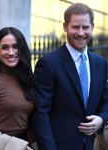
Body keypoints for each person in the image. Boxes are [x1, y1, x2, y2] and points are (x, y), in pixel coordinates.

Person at [33, 3, 108, 150]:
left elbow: (106, 101)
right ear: (65, 26)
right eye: (75, 27)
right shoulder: (48, 64)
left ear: (92, 27)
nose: (80, 33)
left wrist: (101, 119)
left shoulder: (101, 63)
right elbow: (40, 114)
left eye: (85, 27)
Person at [0, 27, 35, 149]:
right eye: (5, 47)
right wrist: (12, 145)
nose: (11, 52)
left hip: (26, 145)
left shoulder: (28, 79)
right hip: (0, 147)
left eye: (15, 46)